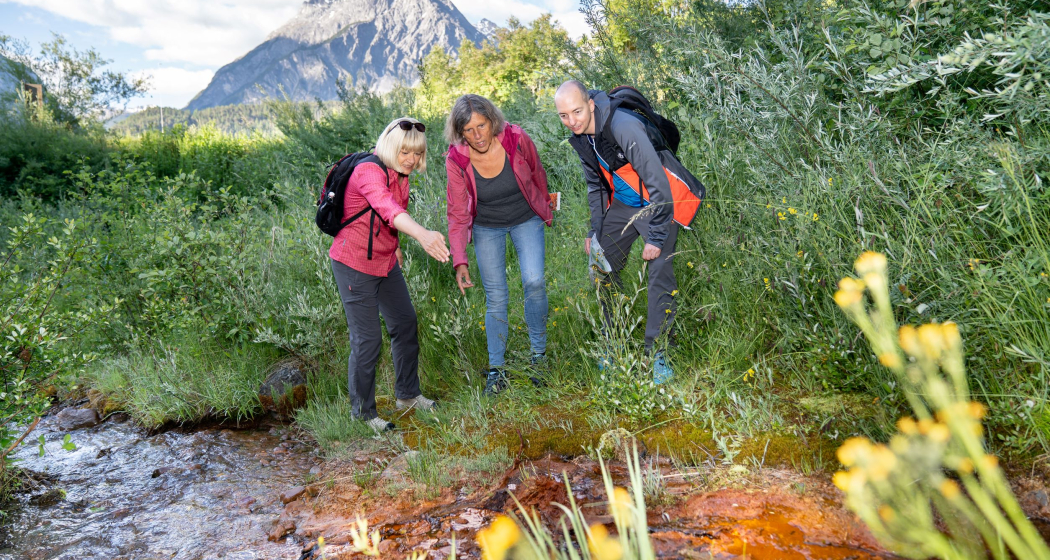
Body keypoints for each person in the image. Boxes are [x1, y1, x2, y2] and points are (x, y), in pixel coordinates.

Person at [554, 80, 702, 384]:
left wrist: (656, 237)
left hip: (660, 202)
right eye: (564, 115)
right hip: (625, 202)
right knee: (600, 265)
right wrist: (594, 231)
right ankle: (614, 343)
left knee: (659, 272)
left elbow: (658, 182)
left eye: (577, 111)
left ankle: (658, 353)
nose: (572, 121)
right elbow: (596, 186)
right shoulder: (583, 138)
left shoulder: (622, 126)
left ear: (590, 105)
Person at [330, 117, 450, 432]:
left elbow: (388, 219)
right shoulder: (368, 171)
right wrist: (423, 235)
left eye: (417, 153)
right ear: (389, 146)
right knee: (368, 340)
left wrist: (394, 246)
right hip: (354, 264)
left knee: (405, 323)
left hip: (384, 261)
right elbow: (388, 208)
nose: (411, 159)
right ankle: (362, 415)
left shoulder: (400, 174)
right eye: (404, 152)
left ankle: (407, 395)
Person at [445, 94, 553, 395]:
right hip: (486, 226)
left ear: (493, 121)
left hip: (526, 218)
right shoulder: (456, 159)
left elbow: (537, 173)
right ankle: (497, 370)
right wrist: (459, 259)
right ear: (460, 132)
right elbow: (457, 211)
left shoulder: (516, 139)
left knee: (534, 282)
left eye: (482, 125)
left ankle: (539, 357)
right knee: (496, 296)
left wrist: (545, 209)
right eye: (469, 130)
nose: (478, 135)